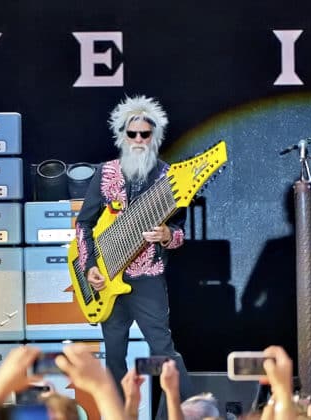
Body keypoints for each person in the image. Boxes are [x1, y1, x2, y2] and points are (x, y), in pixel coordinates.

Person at [75, 94, 192, 414]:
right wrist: (89, 268)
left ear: (155, 137)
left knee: (162, 349)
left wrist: (168, 235)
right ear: (122, 136)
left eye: (145, 134)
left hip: (147, 277)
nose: (139, 139)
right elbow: (83, 225)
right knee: (114, 353)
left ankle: (186, 410)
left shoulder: (170, 177)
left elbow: (181, 234)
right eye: (132, 134)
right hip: (107, 279)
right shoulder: (106, 172)